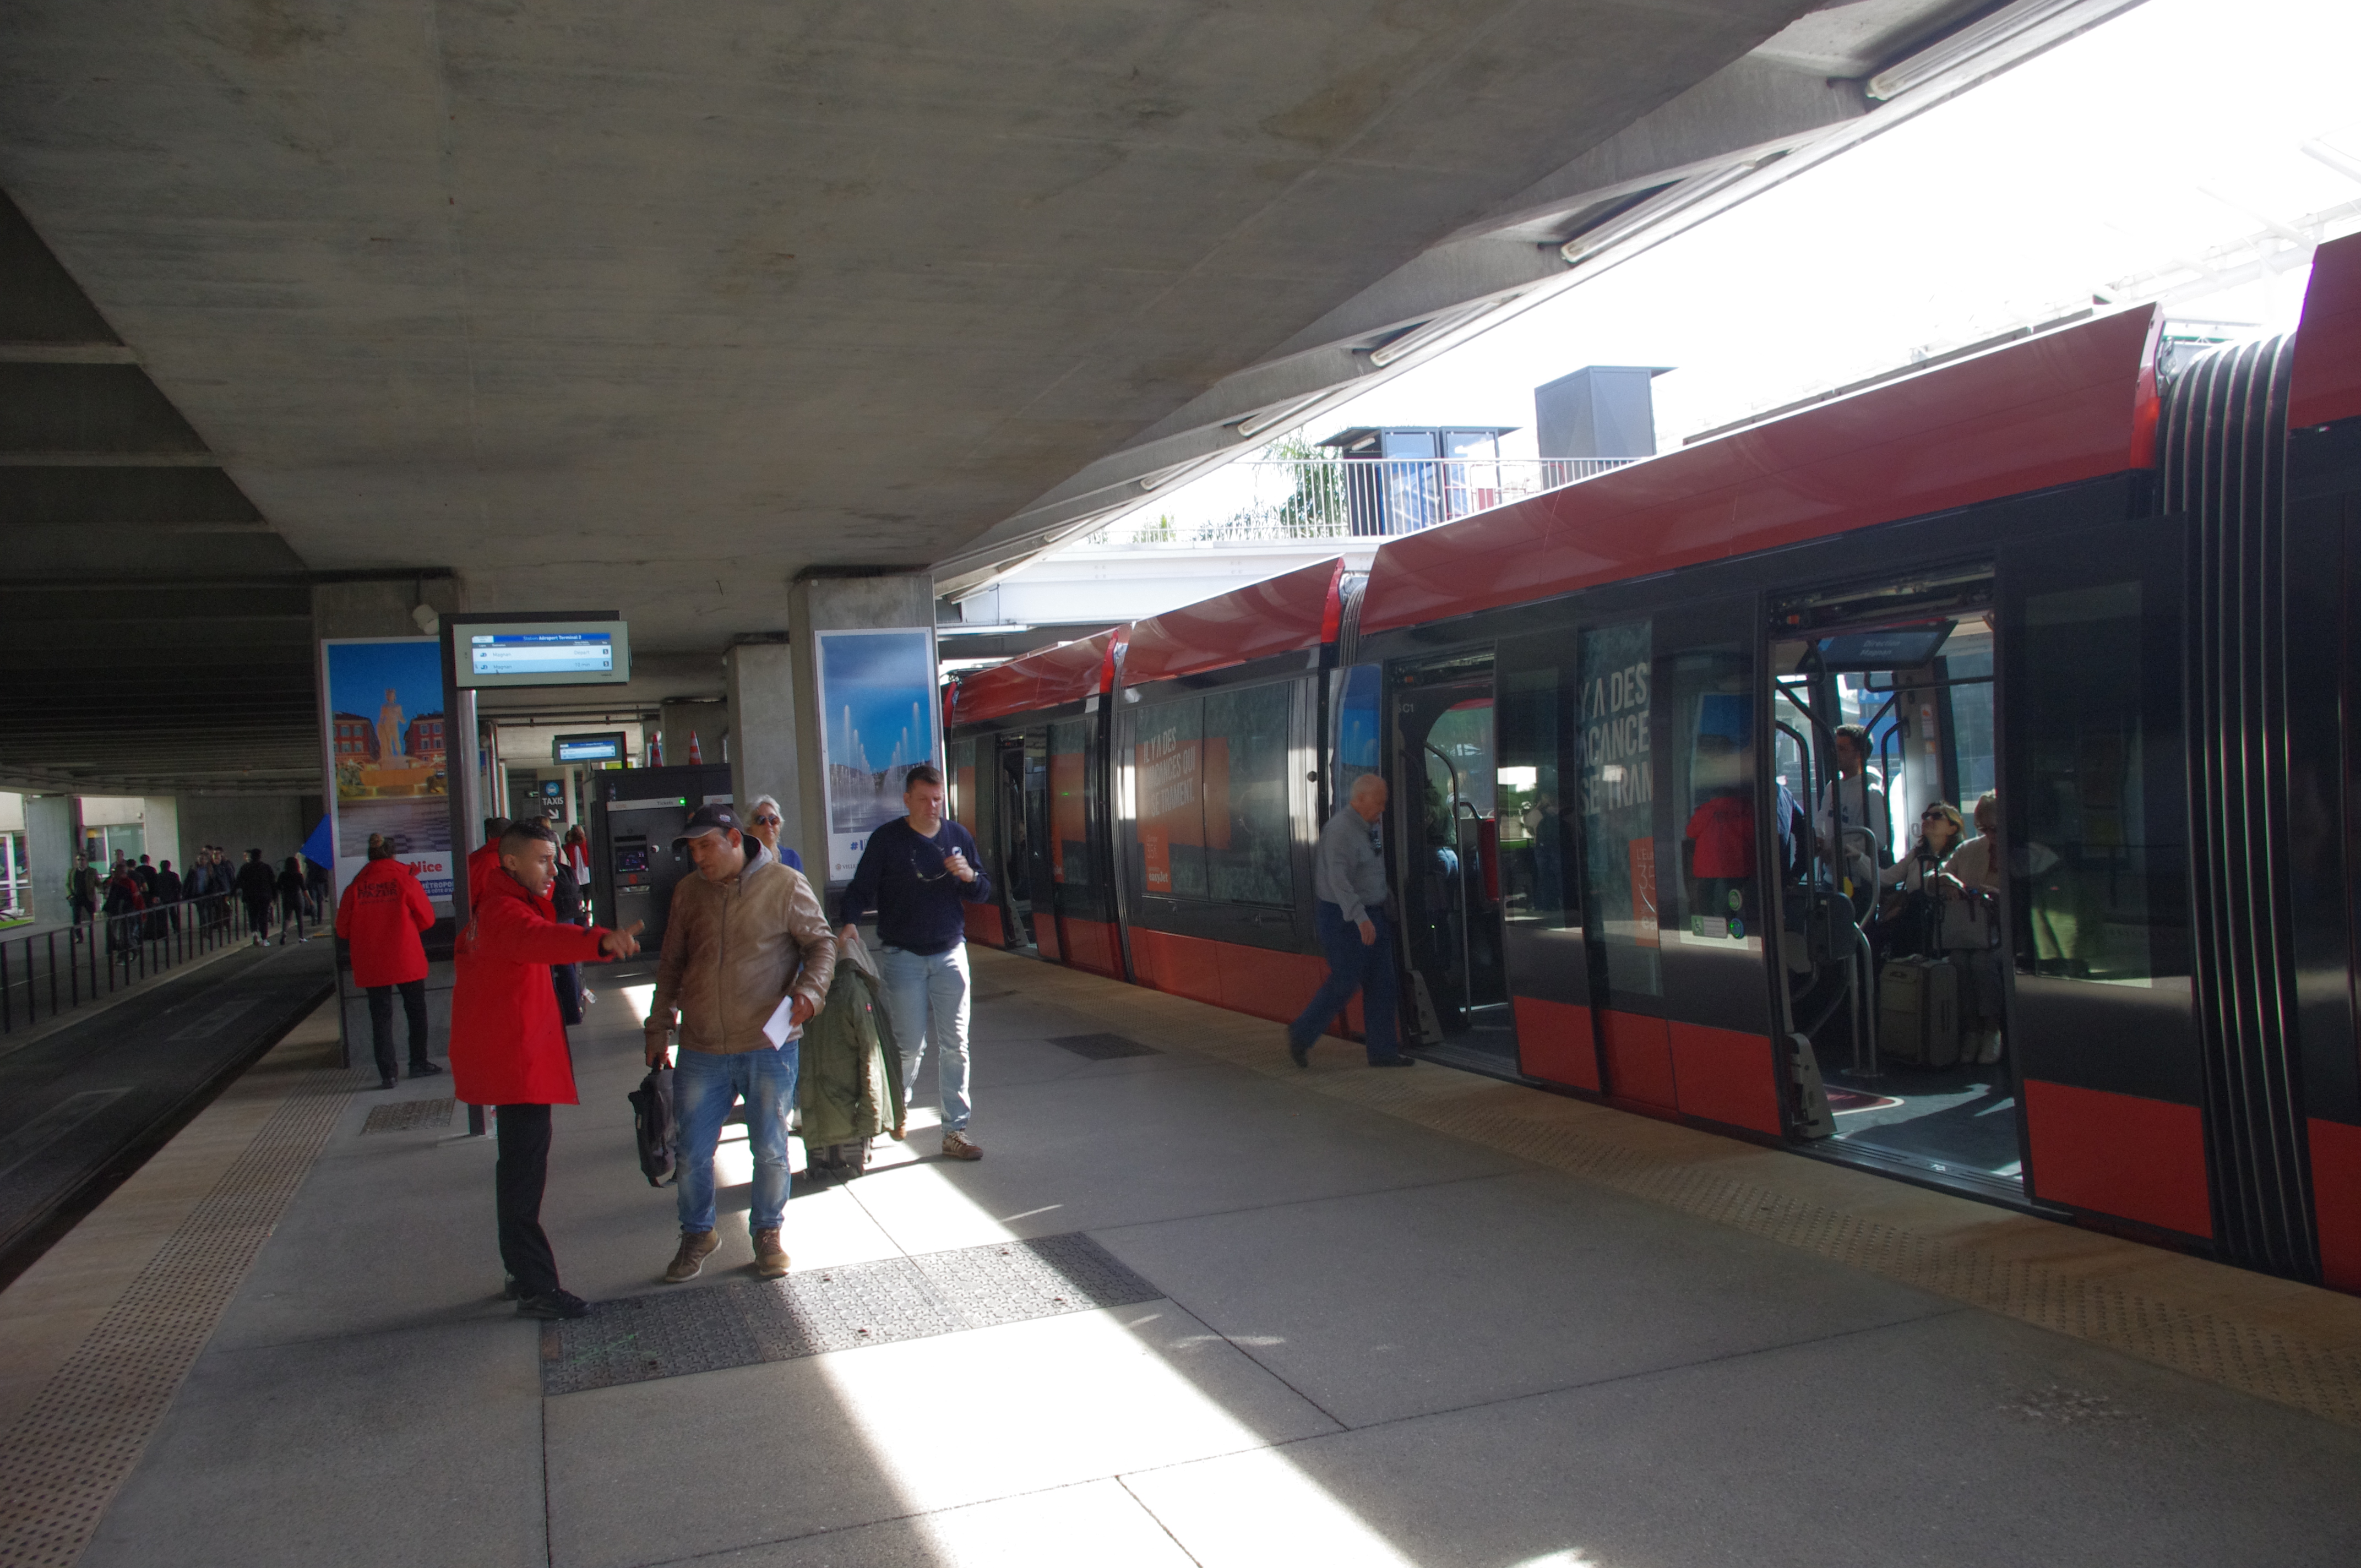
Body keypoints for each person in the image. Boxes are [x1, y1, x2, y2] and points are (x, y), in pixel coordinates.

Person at [449, 819, 638, 1321]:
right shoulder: (506, 913)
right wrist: (601, 942)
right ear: (510, 862)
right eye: (542, 859)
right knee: (523, 1176)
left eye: (554, 858)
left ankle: (520, 1272)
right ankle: (536, 1285)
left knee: (517, 1171)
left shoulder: (493, 906)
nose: (553, 868)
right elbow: (543, 939)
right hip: (518, 1066)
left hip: (512, 1059)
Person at [645, 804, 836, 1282]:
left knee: (770, 1149)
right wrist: (658, 1022)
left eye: (705, 845)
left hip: (767, 1044)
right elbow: (671, 962)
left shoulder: (785, 884)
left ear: (734, 839)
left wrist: (810, 994)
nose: (698, 857)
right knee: (691, 1151)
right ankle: (698, 1233)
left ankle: (768, 1233)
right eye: (691, 849)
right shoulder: (689, 893)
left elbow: (822, 945)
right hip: (703, 1045)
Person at [836, 765, 992, 1160]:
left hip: (950, 954)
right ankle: (896, 1108)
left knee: (956, 1045)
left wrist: (970, 876)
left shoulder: (958, 837)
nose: (932, 806)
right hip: (903, 956)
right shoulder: (887, 840)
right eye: (923, 799)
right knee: (909, 1046)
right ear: (907, 799)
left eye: (938, 799)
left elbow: (983, 892)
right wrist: (849, 923)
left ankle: (955, 1130)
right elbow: (860, 889)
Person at [1288, 774, 1411, 1069]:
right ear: (1360, 800)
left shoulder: (1370, 828)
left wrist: (1385, 900)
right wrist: (1361, 918)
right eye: (1379, 803)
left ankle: (1383, 1052)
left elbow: (1372, 871)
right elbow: (1338, 879)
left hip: (1373, 913)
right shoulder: (1341, 831)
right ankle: (1301, 1034)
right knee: (1345, 980)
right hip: (1345, 918)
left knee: (1383, 983)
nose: (1382, 810)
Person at [337, 834, 444, 1089]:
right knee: (416, 1011)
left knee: (381, 1016)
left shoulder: (355, 887)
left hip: (372, 961)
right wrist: (406, 929)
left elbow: (342, 929)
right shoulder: (405, 881)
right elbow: (428, 919)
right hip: (406, 957)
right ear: (394, 856)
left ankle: (388, 1074)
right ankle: (418, 1063)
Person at [744, 794, 804, 872]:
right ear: (749, 829)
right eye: (761, 820)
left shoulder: (792, 857)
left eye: (773, 820)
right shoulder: (745, 861)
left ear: (779, 824)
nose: (768, 825)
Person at [467, 816, 512, 912]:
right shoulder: (524, 856)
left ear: (489, 836)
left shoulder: (474, 860)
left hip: (485, 918)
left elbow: (466, 899)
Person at [235, 848, 277, 945]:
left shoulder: (245, 868)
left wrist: (231, 895)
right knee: (264, 917)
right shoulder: (266, 867)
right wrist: (274, 897)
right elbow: (272, 883)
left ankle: (255, 934)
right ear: (260, 856)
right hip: (264, 896)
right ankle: (264, 939)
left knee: (252, 916)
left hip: (250, 896)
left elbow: (238, 882)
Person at [275, 854, 307, 943]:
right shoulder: (299, 875)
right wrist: (310, 900)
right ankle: (301, 937)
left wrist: (277, 896)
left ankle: (285, 933)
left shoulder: (283, 875)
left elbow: (278, 887)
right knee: (300, 918)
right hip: (297, 896)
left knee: (287, 918)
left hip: (287, 897)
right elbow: (304, 888)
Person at [68, 853, 98, 943]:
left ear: (86, 861)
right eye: (78, 860)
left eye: (82, 860)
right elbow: (67, 884)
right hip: (76, 897)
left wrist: (103, 889)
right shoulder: (72, 871)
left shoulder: (92, 871)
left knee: (92, 917)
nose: (80, 862)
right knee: (76, 919)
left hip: (88, 897)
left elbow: (97, 882)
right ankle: (79, 937)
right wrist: (70, 895)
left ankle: (93, 936)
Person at [153, 857, 183, 933]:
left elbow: (156, 887)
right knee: (173, 913)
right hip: (173, 897)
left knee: (163, 914)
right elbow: (178, 886)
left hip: (162, 897)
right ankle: (176, 928)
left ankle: (164, 929)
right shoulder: (174, 875)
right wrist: (179, 894)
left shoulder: (158, 876)